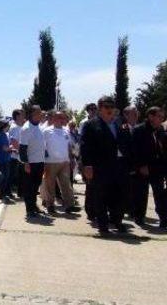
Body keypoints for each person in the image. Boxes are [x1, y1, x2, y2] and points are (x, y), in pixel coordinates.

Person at [80, 96, 128, 235]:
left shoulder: (119, 124)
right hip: (100, 167)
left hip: (119, 167)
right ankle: (103, 225)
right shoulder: (91, 125)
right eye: (107, 107)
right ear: (100, 108)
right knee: (100, 197)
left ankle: (117, 221)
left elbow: (125, 144)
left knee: (118, 196)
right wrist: (87, 165)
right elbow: (85, 147)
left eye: (112, 107)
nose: (110, 109)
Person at [131, 106, 167, 228]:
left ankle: (164, 218)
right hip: (144, 167)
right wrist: (140, 165)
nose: (162, 119)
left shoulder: (161, 130)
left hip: (158, 167)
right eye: (159, 116)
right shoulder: (139, 130)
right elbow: (134, 151)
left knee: (160, 194)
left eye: (163, 117)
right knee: (141, 193)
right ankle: (139, 216)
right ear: (151, 116)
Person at [42, 111, 79, 214]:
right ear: (53, 119)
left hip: (65, 162)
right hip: (50, 162)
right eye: (59, 117)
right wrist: (44, 162)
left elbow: (69, 146)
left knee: (66, 184)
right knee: (50, 185)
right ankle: (50, 205)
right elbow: (42, 147)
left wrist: (71, 159)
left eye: (63, 118)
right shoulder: (47, 131)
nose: (62, 120)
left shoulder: (66, 131)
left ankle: (69, 205)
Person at [20, 105, 45, 218]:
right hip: (30, 163)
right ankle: (29, 209)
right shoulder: (26, 128)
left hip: (40, 162)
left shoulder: (39, 127)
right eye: (38, 113)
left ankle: (33, 206)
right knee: (29, 187)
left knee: (35, 186)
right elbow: (23, 148)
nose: (41, 114)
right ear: (32, 114)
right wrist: (26, 163)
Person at [8, 109, 25, 198]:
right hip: (15, 155)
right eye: (22, 115)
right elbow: (13, 141)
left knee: (20, 175)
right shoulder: (14, 127)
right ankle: (7, 192)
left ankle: (20, 192)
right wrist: (21, 151)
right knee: (12, 175)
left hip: (18, 155)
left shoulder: (19, 127)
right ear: (17, 116)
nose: (23, 117)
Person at [0, 120, 12, 203]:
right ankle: (1, 194)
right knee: (4, 177)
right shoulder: (1, 135)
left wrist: (10, 148)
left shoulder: (5, 135)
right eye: (7, 125)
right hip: (2, 159)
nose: (9, 126)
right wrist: (12, 148)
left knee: (6, 177)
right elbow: (4, 148)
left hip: (6, 159)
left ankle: (3, 194)